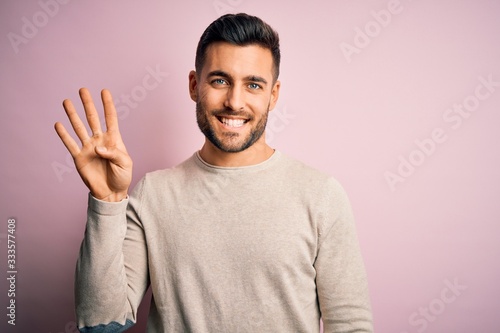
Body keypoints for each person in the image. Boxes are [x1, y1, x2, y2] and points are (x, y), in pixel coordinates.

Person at [54, 13, 373, 333]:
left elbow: (350, 325)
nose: (235, 102)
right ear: (195, 85)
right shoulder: (154, 193)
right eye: (220, 80)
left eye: (253, 84)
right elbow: (100, 323)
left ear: (272, 95)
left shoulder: (321, 195)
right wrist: (107, 201)